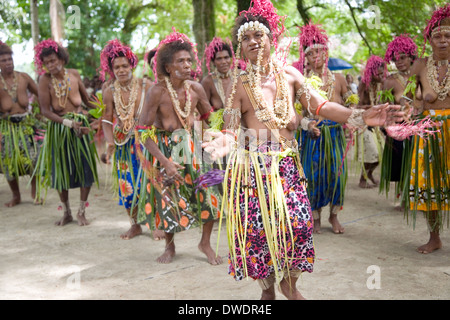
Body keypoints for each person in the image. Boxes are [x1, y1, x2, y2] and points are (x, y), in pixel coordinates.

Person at [202, 0, 404, 300]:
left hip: (288, 168)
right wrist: (225, 142)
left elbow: (321, 106)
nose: (253, 42)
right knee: (260, 233)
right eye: (245, 38)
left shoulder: (291, 77)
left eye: (259, 35)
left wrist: (358, 115)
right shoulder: (238, 86)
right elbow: (232, 129)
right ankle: (268, 290)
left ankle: (291, 286)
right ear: (240, 47)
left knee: (298, 226)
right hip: (256, 171)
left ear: (272, 39)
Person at [136, 29, 222, 265]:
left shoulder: (196, 88)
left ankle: (204, 243)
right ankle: (170, 246)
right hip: (165, 150)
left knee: (210, 194)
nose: (187, 65)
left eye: (189, 60)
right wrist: (164, 162)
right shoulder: (157, 92)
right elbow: (142, 131)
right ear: (167, 67)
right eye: (180, 61)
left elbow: (209, 118)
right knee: (168, 199)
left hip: (193, 147)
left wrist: (216, 141)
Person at [297, 21, 358, 234]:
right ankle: (315, 219)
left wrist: (354, 114)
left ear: (326, 54)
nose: (316, 57)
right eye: (311, 54)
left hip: (335, 135)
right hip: (313, 135)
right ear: (307, 58)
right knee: (313, 176)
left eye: (319, 52)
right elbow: (299, 112)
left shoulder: (339, 79)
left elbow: (351, 102)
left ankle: (334, 217)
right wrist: (308, 124)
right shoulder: (303, 82)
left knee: (336, 175)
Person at [33, 39, 98, 226]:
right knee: (61, 172)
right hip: (60, 128)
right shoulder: (44, 80)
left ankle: (81, 211)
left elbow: (87, 100)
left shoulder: (74, 74)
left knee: (86, 169)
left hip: (81, 126)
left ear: (61, 58)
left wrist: (105, 110)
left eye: (53, 60)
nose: (51, 65)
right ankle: (67, 212)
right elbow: (45, 110)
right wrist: (68, 123)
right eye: (47, 63)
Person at [403, 4, 450, 254]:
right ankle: (435, 237)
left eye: (448, 35)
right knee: (429, 184)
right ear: (429, 40)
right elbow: (407, 97)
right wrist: (413, 103)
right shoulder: (420, 65)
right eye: (437, 36)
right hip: (429, 131)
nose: (442, 40)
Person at [99, 39, 154, 240]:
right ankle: (135, 224)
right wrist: (110, 143)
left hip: (146, 142)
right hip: (123, 144)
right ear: (111, 69)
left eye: (124, 66)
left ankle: (154, 222)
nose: (121, 70)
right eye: (116, 67)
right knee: (127, 186)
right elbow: (106, 119)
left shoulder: (146, 85)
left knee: (149, 182)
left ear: (132, 65)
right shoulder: (109, 91)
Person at [0, 41, 41, 207]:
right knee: (9, 162)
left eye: (9, 59)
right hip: (7, 127)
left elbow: (41, 93)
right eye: (3, 60)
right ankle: (16, 195)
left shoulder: (23, 77)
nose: (8, 63)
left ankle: (35, 191)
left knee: (34, 158)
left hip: (26, 124)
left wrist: (37, 111)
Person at [380, 35, 418, 207]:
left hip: (419, 125)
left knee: (417, 161)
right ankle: (403, 196)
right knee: (402, 162)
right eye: (396, 59)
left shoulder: (421, 75)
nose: (399, 62)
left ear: (411, 56)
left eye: (403, 57)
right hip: (400, 128)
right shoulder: (389, 81)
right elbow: (384, 108)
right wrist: (387, 129)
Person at [356, 55, 386, 188]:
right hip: (364, 123)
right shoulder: (364, 84)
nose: (380, 76)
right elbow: (357, 105)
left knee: (381, 153)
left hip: (377, 124)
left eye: (382, 73)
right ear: (371, 72)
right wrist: (371, 108)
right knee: (372, 152)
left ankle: (369, 174)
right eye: (377, 73)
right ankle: (363, 179)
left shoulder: (381, 84)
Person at [201, 37, 234, 110]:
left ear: (230, 58)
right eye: (219, 59)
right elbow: (204, 111)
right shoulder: (208, 82)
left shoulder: (239, 76)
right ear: (213, 62)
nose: (224, 62)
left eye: (226, 57)